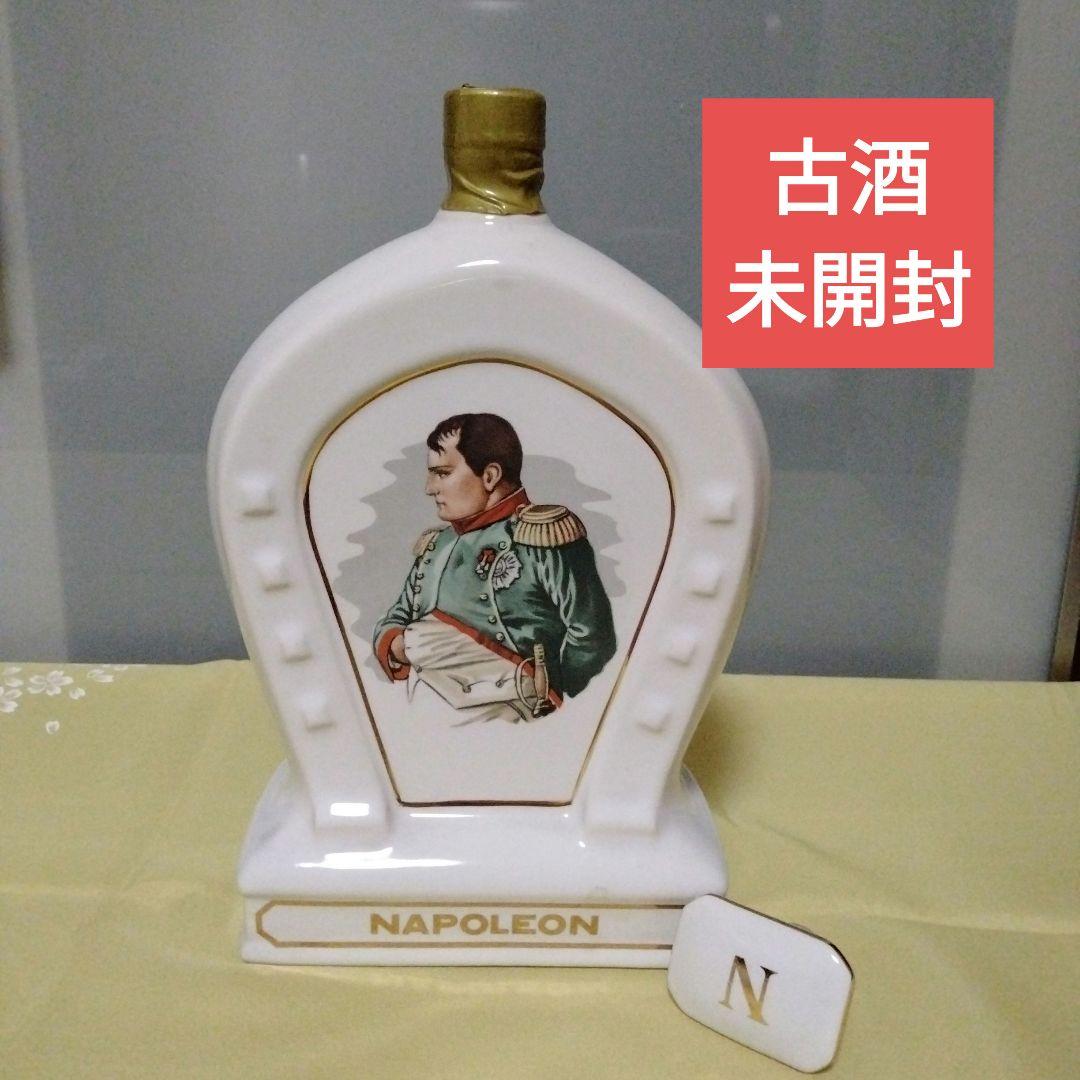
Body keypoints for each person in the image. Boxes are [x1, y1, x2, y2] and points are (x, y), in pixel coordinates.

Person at [372, 413, 616, 724]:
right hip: (424, 716)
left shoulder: (541, 537)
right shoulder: (437, 544)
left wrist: (547, 693)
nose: (429, 488)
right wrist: (403, 646)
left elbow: (592, 637)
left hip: (513, 714)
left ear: (490, 476)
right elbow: (398, 615)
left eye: (442, 473)